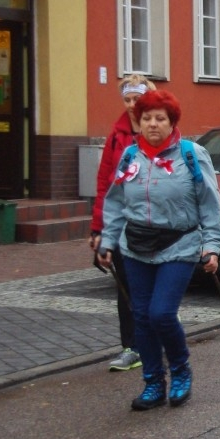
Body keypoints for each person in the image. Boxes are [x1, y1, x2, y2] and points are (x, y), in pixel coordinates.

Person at [96, 90, 220, 410]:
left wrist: (211, 246)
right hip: (135, 245)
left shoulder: (191, 155)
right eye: (147, 118)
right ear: (139, 123)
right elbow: (114, 202)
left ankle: (180, 371)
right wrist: (107, 240)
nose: (153, 124)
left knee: (161, 314)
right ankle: (153, 382)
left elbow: (209, 204)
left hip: (179, 243)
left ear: (172, 122)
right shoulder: (129, 156)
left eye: (160, 118)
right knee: (141, 317)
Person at [89, 74, 156, 372]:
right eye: (127, 99)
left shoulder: (158, 130)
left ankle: (158, 333)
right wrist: (98, 229)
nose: (131, 105)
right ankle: (131, 346)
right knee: (125, 287)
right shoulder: (116, 136)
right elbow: (104, 183)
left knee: (150, 286)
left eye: (137, 99)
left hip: (153, 224)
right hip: (121, 224)